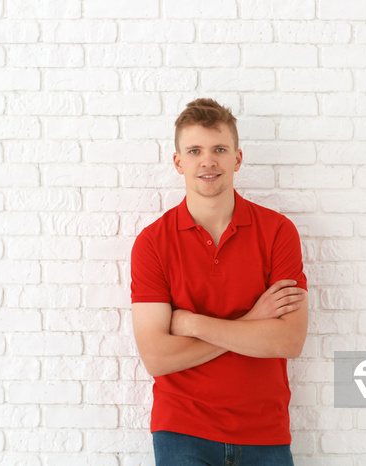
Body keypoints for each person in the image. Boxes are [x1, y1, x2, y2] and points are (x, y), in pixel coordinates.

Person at [130, 98, 308, 465]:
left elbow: (289, 340)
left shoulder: (278, 232)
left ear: (237, 159)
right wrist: (253, 322)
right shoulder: (153, 243)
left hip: (265, 431)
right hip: (182, 431)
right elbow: (157, 357)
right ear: (178, 162)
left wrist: (193, 323)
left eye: (219, 149)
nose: (207, 161)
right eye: (194, 150)